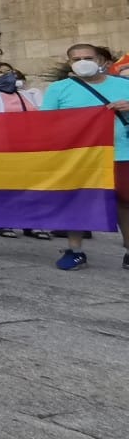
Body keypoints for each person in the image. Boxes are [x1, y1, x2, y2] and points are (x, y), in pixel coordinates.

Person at [43, 42, 129, 271]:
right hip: (79, 156)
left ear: (101, 61)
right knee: (78, 201)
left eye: (88, 58)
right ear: (70, 63)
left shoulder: (125, 85)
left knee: (125, 203)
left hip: (121, 153)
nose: (83, 63)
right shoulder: (59, 89)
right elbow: (45, 124)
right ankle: (75, 250)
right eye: (77, 59)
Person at [0, 64, 52, 241]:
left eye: (9, 71)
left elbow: (45, 116)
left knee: (32, 185)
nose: (7, 75)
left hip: (29, 147)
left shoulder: (28, 95)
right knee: (5, 185)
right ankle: (4, 221)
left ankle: (33, 223)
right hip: (1, 149)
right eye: (1, 72)